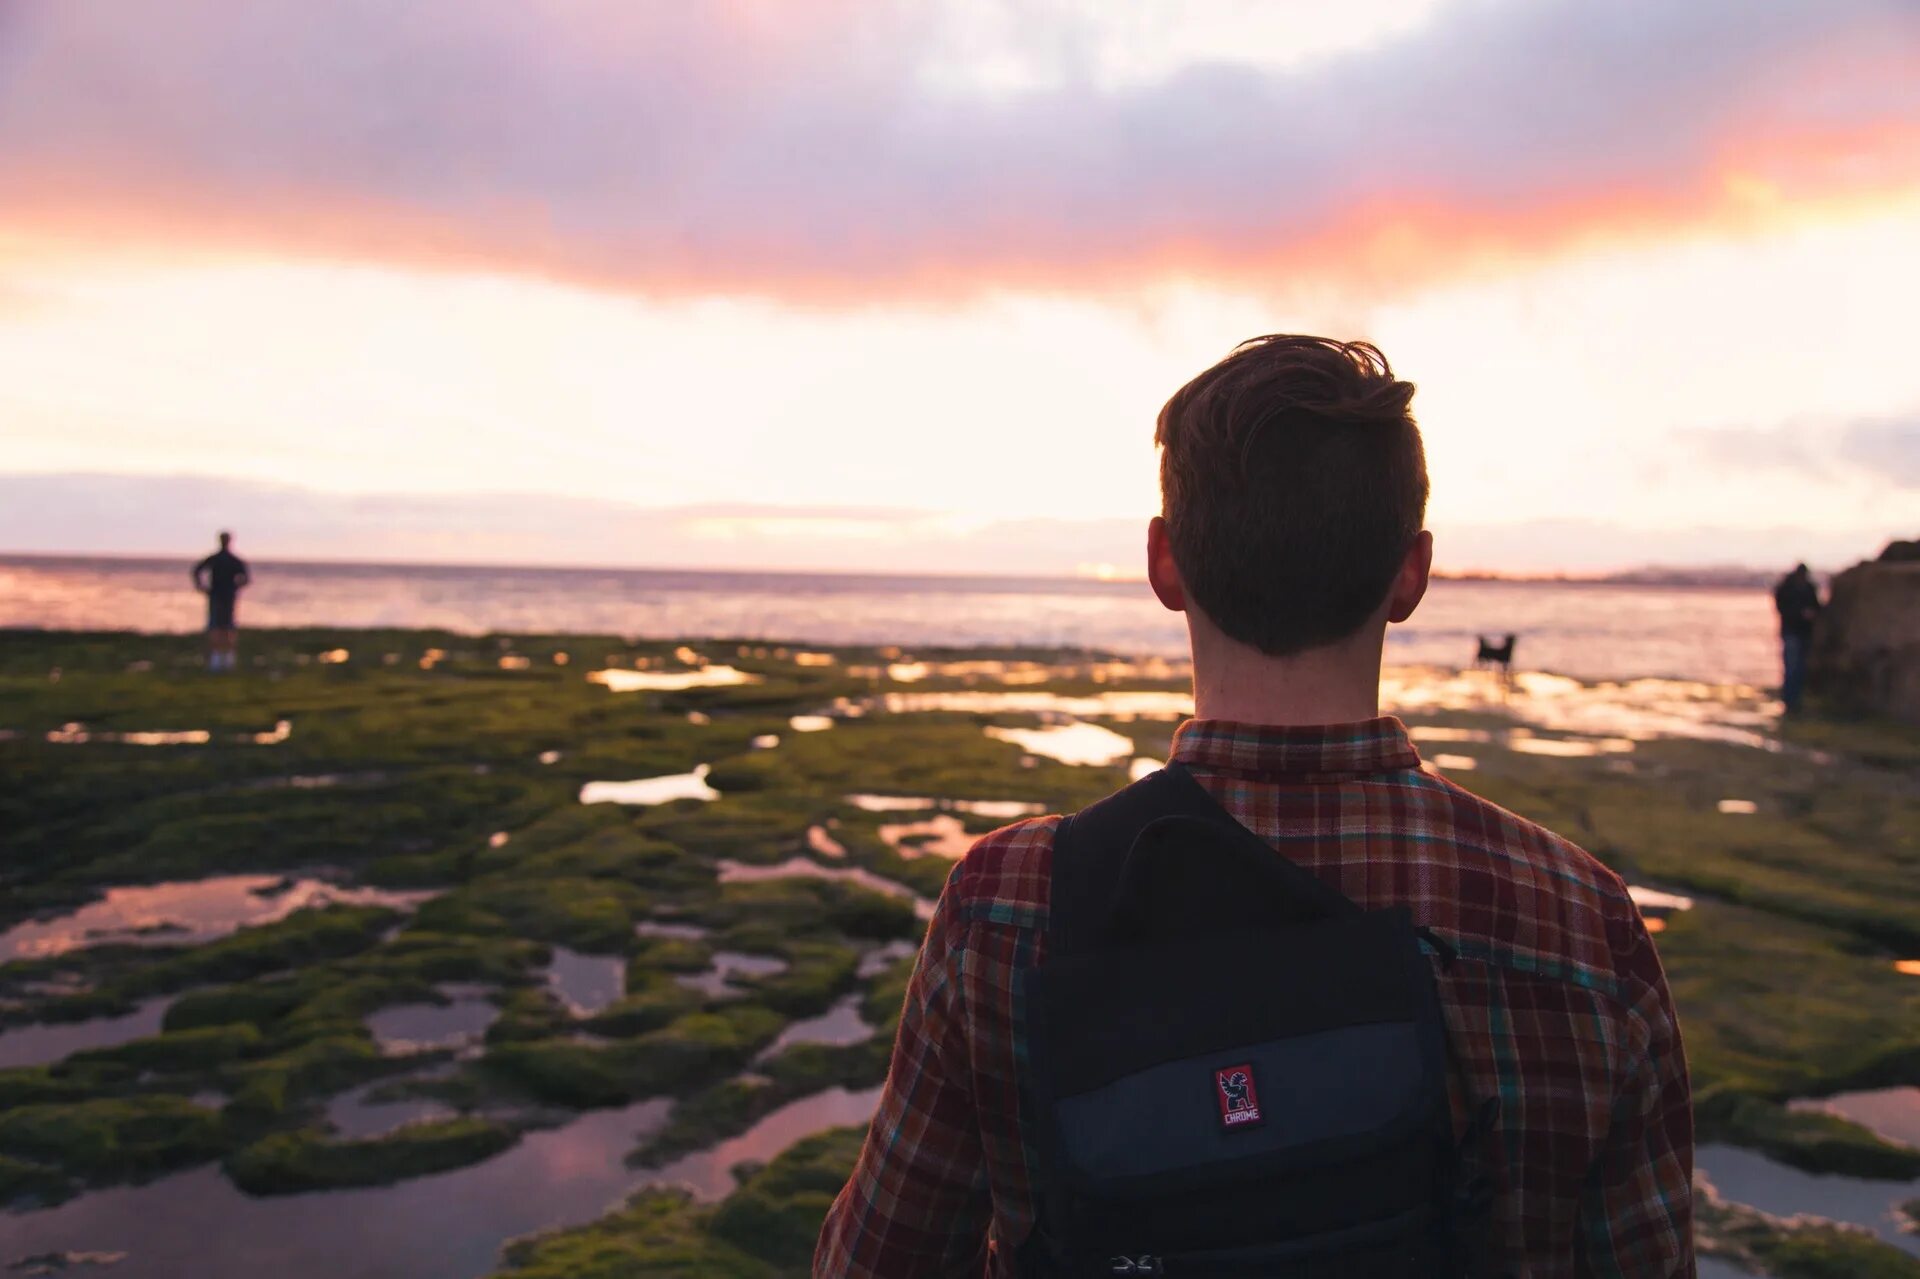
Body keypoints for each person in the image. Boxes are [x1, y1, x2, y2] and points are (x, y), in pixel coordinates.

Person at [816, 337, 1693, 1277]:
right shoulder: (1583, 921)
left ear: (1164, 563)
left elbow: (873, 1263)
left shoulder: (1004, 907)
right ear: (1411, 573)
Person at [192, 531, 251, 672]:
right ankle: (224, 659)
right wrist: (237, 586)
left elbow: (197, 570)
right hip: (224, 595)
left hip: (219, 595)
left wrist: (201, 586)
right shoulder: (232, 560)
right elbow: (246, 578)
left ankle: (219, 660)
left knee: (219, 626)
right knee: (225, 626)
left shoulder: (217, 559)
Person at [1772, 563, 1821, 714]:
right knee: (1792, 667)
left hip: (1801, 633)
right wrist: (1800, 614)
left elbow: (1816, 607)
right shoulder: (1789, 589)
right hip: (1793, 632)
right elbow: (1782, 607)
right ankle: (1790, 700)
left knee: (1798, 668)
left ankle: (1794, 700)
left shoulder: (1805, 588)